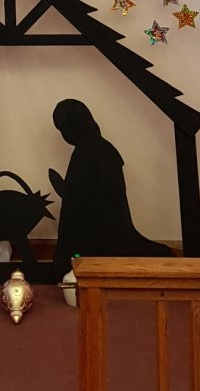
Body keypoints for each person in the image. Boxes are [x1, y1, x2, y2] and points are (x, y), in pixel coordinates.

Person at [49, 98, 171, 280]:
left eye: (64, 129)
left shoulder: (94, 151)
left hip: (100, 226)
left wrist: (68, 192)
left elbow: (99, 195)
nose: (64, 135)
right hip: (91, 222)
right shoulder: (94, 149)